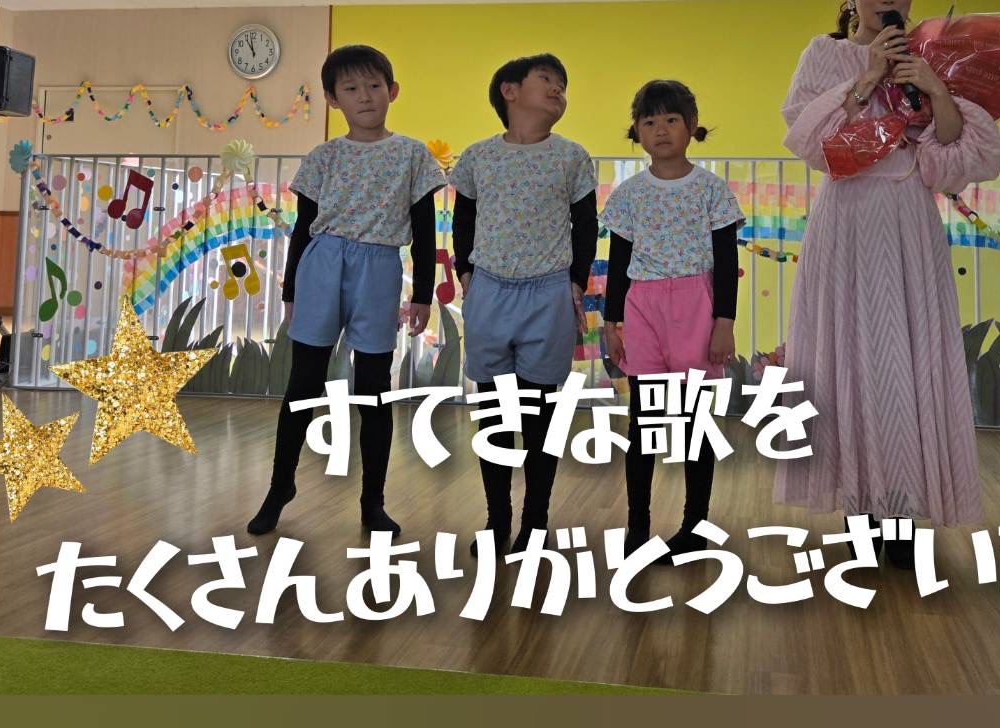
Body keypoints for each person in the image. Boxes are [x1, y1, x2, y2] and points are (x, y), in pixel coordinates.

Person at [775, 0, 1000, 567]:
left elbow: (953, 158)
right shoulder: (823, 54)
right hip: (846, 219)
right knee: (849, 362)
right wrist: (868, 76)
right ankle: (859, 514)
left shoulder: (932, 57)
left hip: (908, 218)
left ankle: (902, 516)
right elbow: (814, 145)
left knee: (905, 363)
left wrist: (935, 90)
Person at [247, 44, 443, 537]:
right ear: (333, 99)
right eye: (351, 88)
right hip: (323, 263)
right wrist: (291, 292)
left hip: (379, 267)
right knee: (303, 383)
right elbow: (303, 228)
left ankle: (373, 503)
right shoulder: (324, 156)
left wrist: (422, 294)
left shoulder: (413, 154)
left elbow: (424, 231)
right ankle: (279, 487)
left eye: (374, 86)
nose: (365, 96)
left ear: (392, 91)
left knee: (374, 389)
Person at [450, 53, 598, 556]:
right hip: (489, 290)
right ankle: (497, 520)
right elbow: (464, 220)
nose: (558, 90)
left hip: (549, 292)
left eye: (563, 85)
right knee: (494, 416)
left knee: (539, 416)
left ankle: (535, 521)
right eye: (547, 80)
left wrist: (576, 281)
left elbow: (586, 224)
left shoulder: (572, 156)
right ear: (510, 91)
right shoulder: (478, 157)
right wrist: (466, 274)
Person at [600, 80, 744, 556]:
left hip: (696, 306)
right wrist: (610, 323)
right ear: (636, 131)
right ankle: (637, 528)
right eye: (649, 121)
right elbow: (618, 263)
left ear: (691, 126)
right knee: (643, 422)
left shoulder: (712, 190)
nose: (660, 130)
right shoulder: (628, 194)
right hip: (642, 307)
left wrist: (724, 321)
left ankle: (694, 526)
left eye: (671, 119)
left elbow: (726, 262)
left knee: (693, 424)